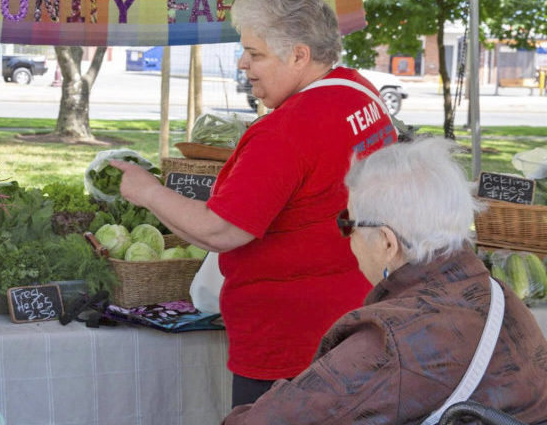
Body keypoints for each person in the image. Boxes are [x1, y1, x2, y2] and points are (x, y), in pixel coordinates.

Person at [111, 0, 398, 406]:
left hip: (291, 346)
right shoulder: (359, 93)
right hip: (357, 318)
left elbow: (221, 230)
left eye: (256, 53)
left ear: (299, 55)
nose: (243, 64)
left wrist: (148, 192)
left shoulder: (287, 130)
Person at [224, 138, 547, 424]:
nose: (348, 238)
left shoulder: (388, 342)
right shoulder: (499, 295)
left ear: (386, 242)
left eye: (348, 224)